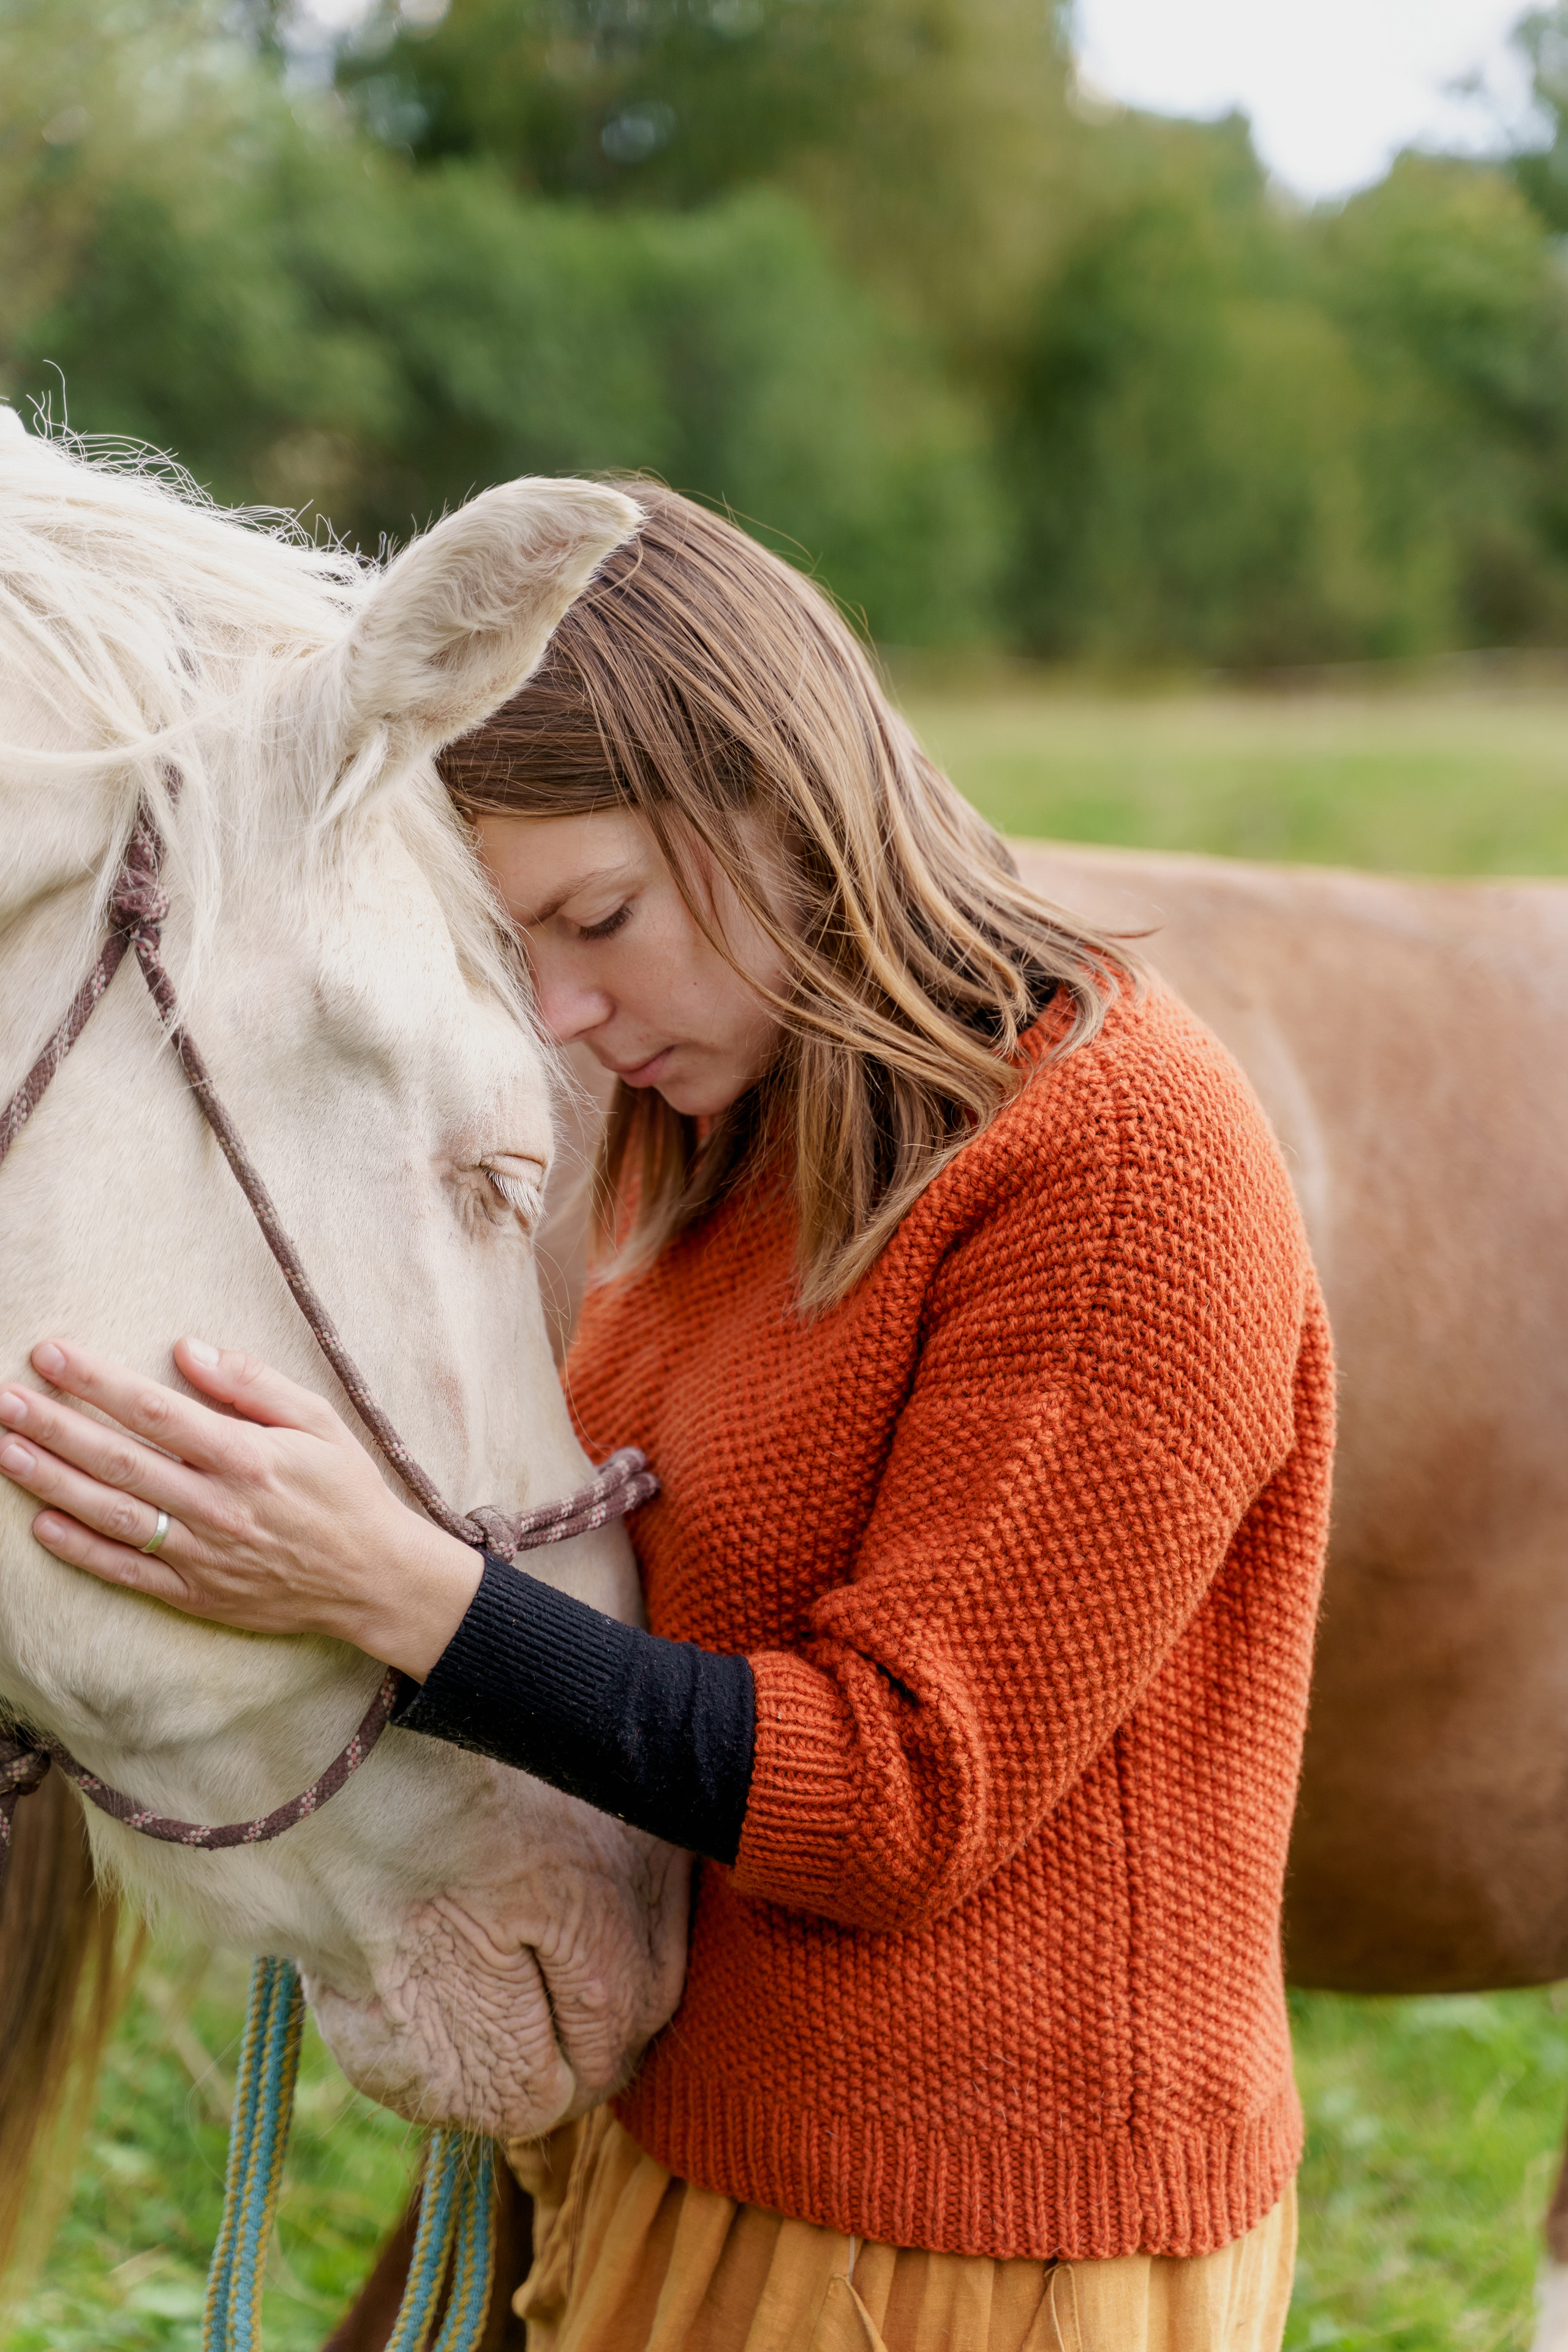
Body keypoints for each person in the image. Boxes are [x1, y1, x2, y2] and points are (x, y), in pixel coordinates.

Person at [0, 486, 1332, 2352]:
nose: (564, 1004)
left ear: (777, 798)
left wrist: (401, 1592)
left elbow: (901, 1800)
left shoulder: (1119, 1171)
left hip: (975, 2251)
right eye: (518, 943)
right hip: (694, 2164)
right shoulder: (726, 1144)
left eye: (599, 916)